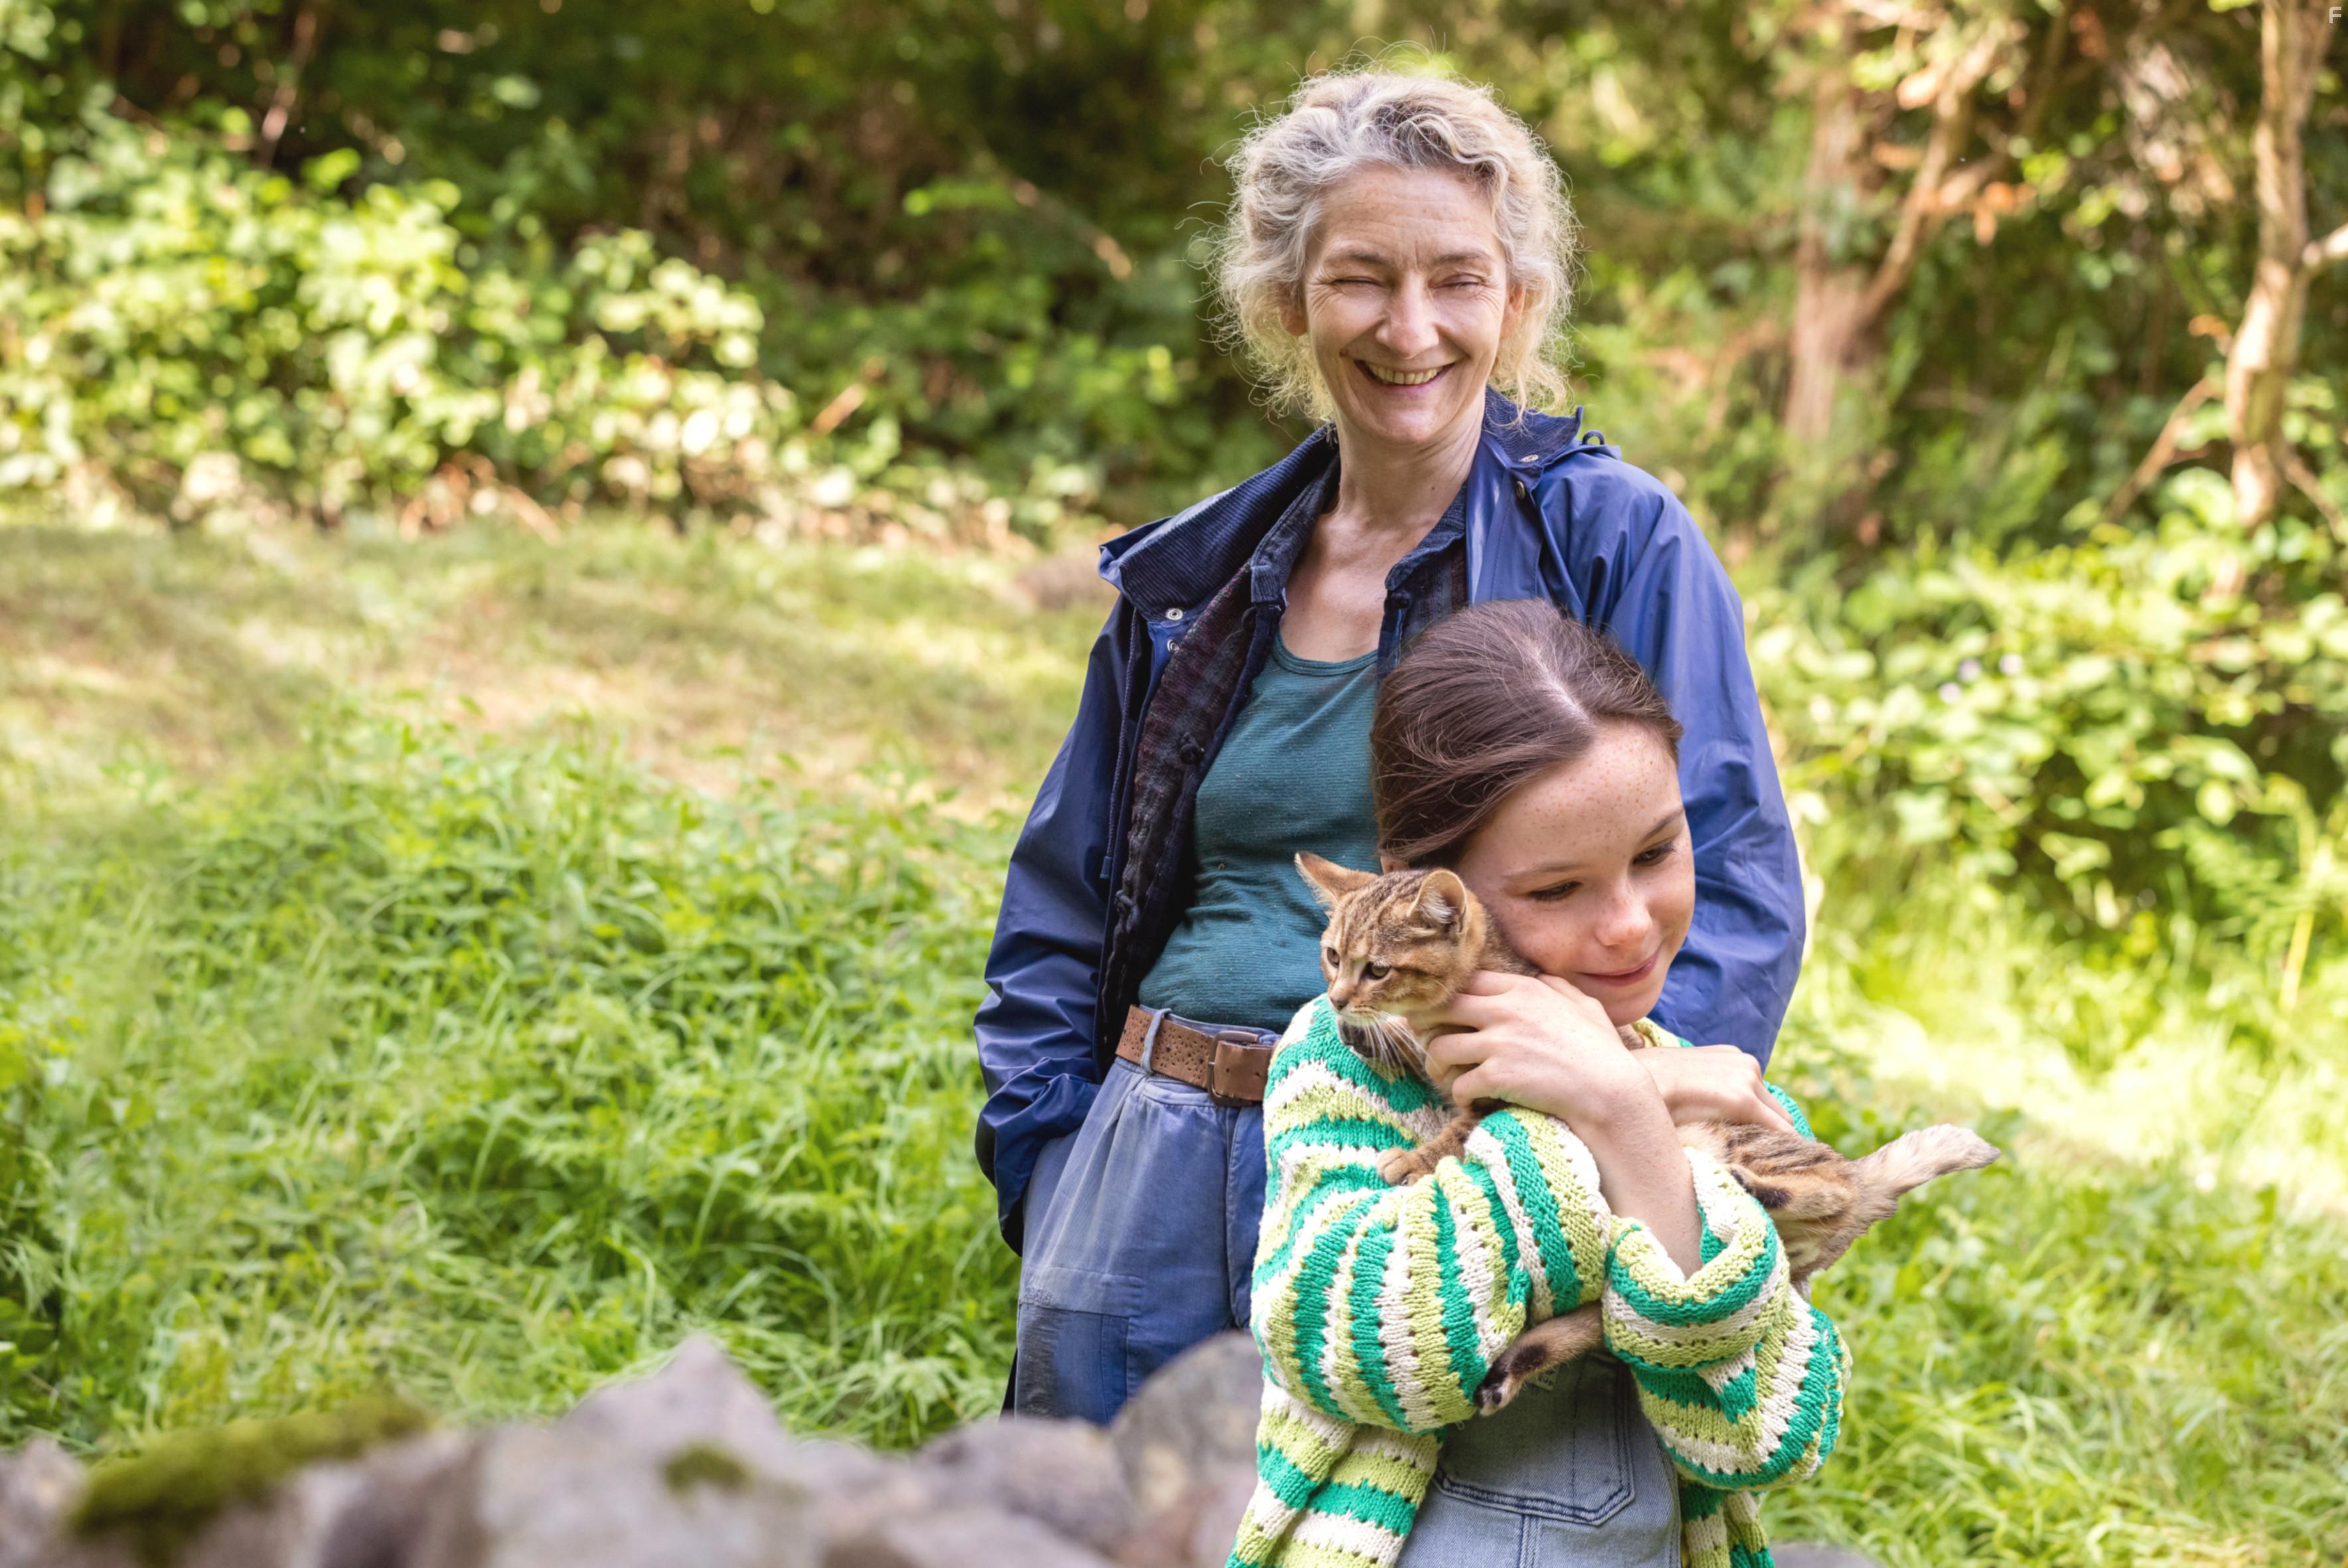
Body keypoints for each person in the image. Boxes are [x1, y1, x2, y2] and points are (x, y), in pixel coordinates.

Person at [974, 66, 1805, 1421]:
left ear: (1516, 300)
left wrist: (1615, 1146)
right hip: (1149, 1159)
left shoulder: (1610, 540)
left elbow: (1728, 877)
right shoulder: (1198, 573)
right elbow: (1059, 902)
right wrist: (1052, 1154)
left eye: (1456, 280)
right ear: (1286, 299)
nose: (1408, 327)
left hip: (1441, 1170)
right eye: (1360, 277)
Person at [1231, 599, 1843, 1568]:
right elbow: (1352, 1344)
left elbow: (1765, 1433)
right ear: (1425, 896)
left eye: (1655, 852)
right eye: (1555, 888)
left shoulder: (1710, 1089)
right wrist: (1581, 1112)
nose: (1630, 925)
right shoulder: (1343, 1065)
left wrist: (1623, 1104)